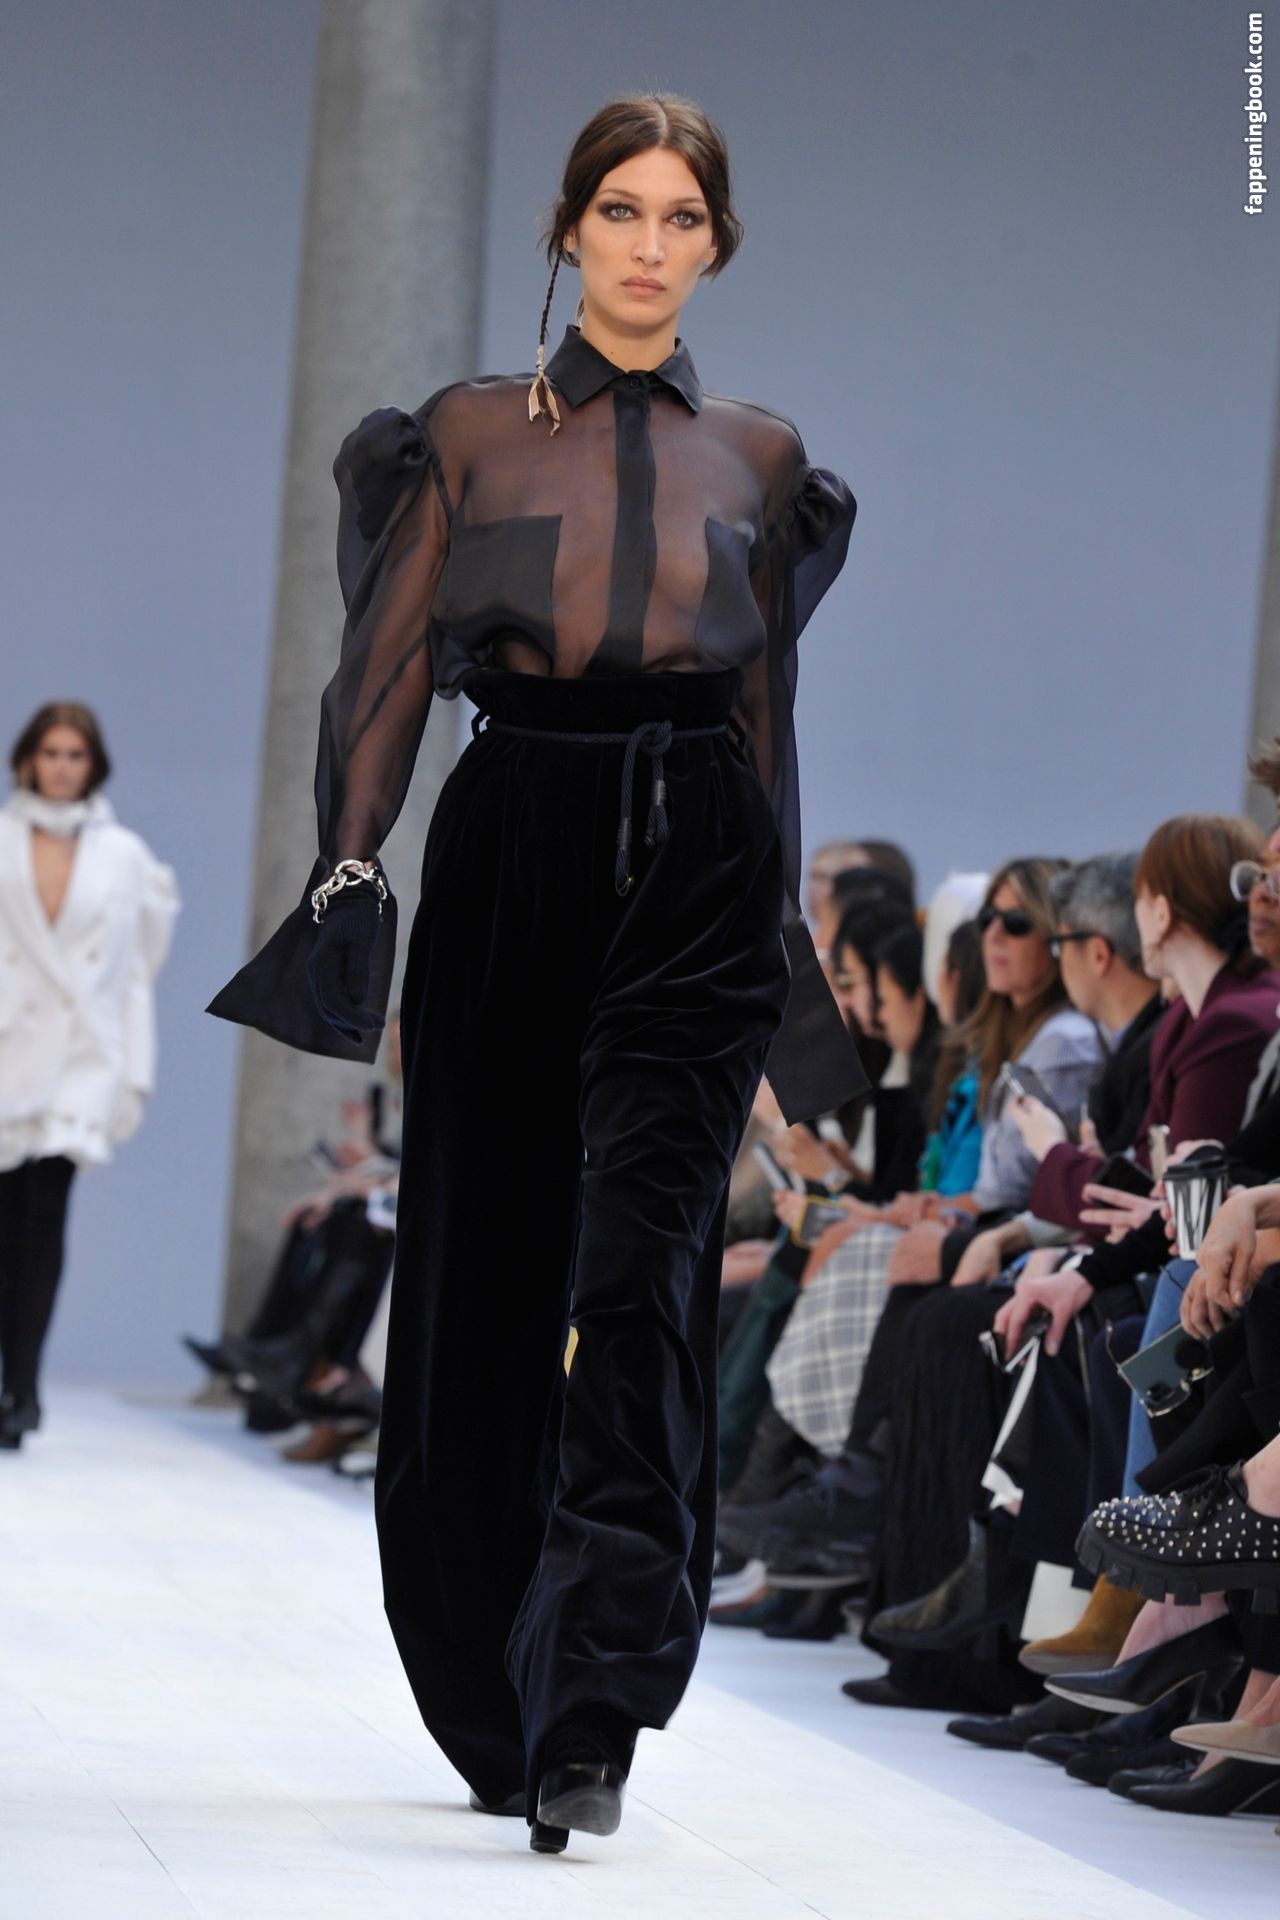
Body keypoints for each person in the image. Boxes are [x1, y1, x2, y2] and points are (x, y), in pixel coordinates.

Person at [207, 92, 865, 1851]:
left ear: (716, 244)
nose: (650, 245)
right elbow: (383, 675)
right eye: (620, 211)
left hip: (699, 864)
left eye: (682, 217)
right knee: (485, 1273)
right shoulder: (469, 434)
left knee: (645, 1278)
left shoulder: (763, 457)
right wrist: (351, 871)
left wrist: (781, 941)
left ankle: (596, 1699)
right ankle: (489, 1672)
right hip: (515, 842)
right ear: (568, 231)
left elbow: (767, 714)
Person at [0, 701, 179, 1447]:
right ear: (27, 759)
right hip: (6, 1049)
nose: (62, 767)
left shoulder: (125, 858)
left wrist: (133, 1072)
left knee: (42, 1224)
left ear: (94, 764)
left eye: (75, 754)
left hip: (78, 1057)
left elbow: (135, 973)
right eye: (51, 752)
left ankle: (21, 1388)